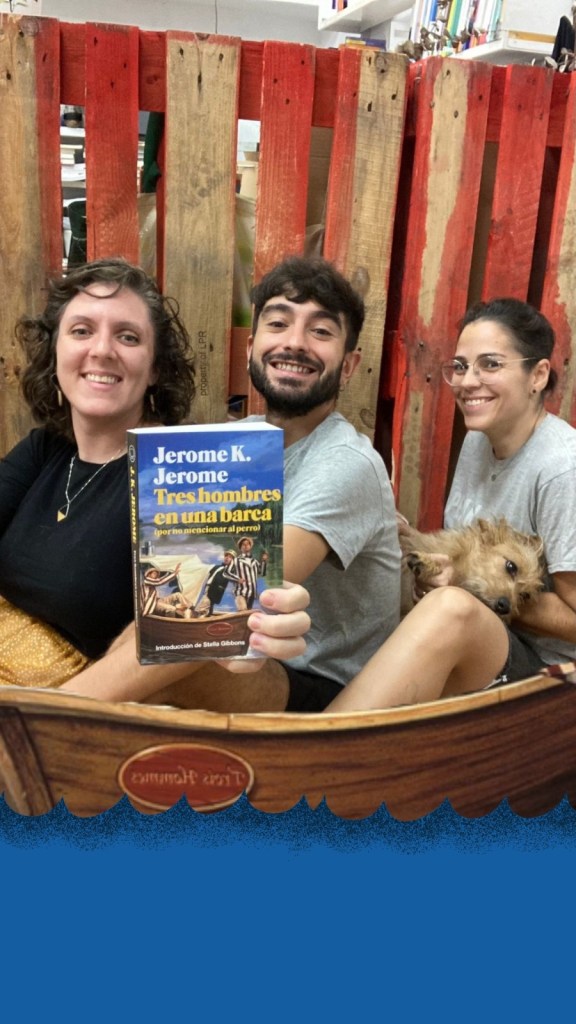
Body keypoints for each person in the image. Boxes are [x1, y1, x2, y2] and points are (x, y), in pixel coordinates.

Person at [0, 258, 310, 704]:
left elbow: (199, 626)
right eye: (82, 331)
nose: (102, 349)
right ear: (55, 353)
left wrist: (35, 719)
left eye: (128, 337)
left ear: (156, 369)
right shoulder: (44, 450)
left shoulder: (184, 473)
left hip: (83, 717)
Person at [325, 297, 576, 712]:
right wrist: (408, 541)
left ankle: (325, 742)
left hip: (550, 681)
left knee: (452, 609)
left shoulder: (562, 469)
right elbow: (467, 549)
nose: (467, 381)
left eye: (490, 364)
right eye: (460, 366)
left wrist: (466, 585)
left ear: (538, 375)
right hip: (489, 649)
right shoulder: (479, 440)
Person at [245, 255, 402, 711]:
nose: (295, 343)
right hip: (257, 658)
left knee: (178, 658)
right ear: (252, 346)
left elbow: (236, 597)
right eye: (278, 324)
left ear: (349, 366)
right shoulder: (244, 443)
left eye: (320, 331)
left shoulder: (347, 463)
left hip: (324, 688)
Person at [226, 536, 269, 611]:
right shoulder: (236, 560)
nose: (246, 545)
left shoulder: (255, 561)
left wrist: (264, 561)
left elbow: (262, 573)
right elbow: (226, 573)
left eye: (248, 544)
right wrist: (237, 579)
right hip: (240, 593)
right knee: (243, 611)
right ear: (240, 547)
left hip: (251, 594)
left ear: (250, 546)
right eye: (243, 544)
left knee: (247, 614)